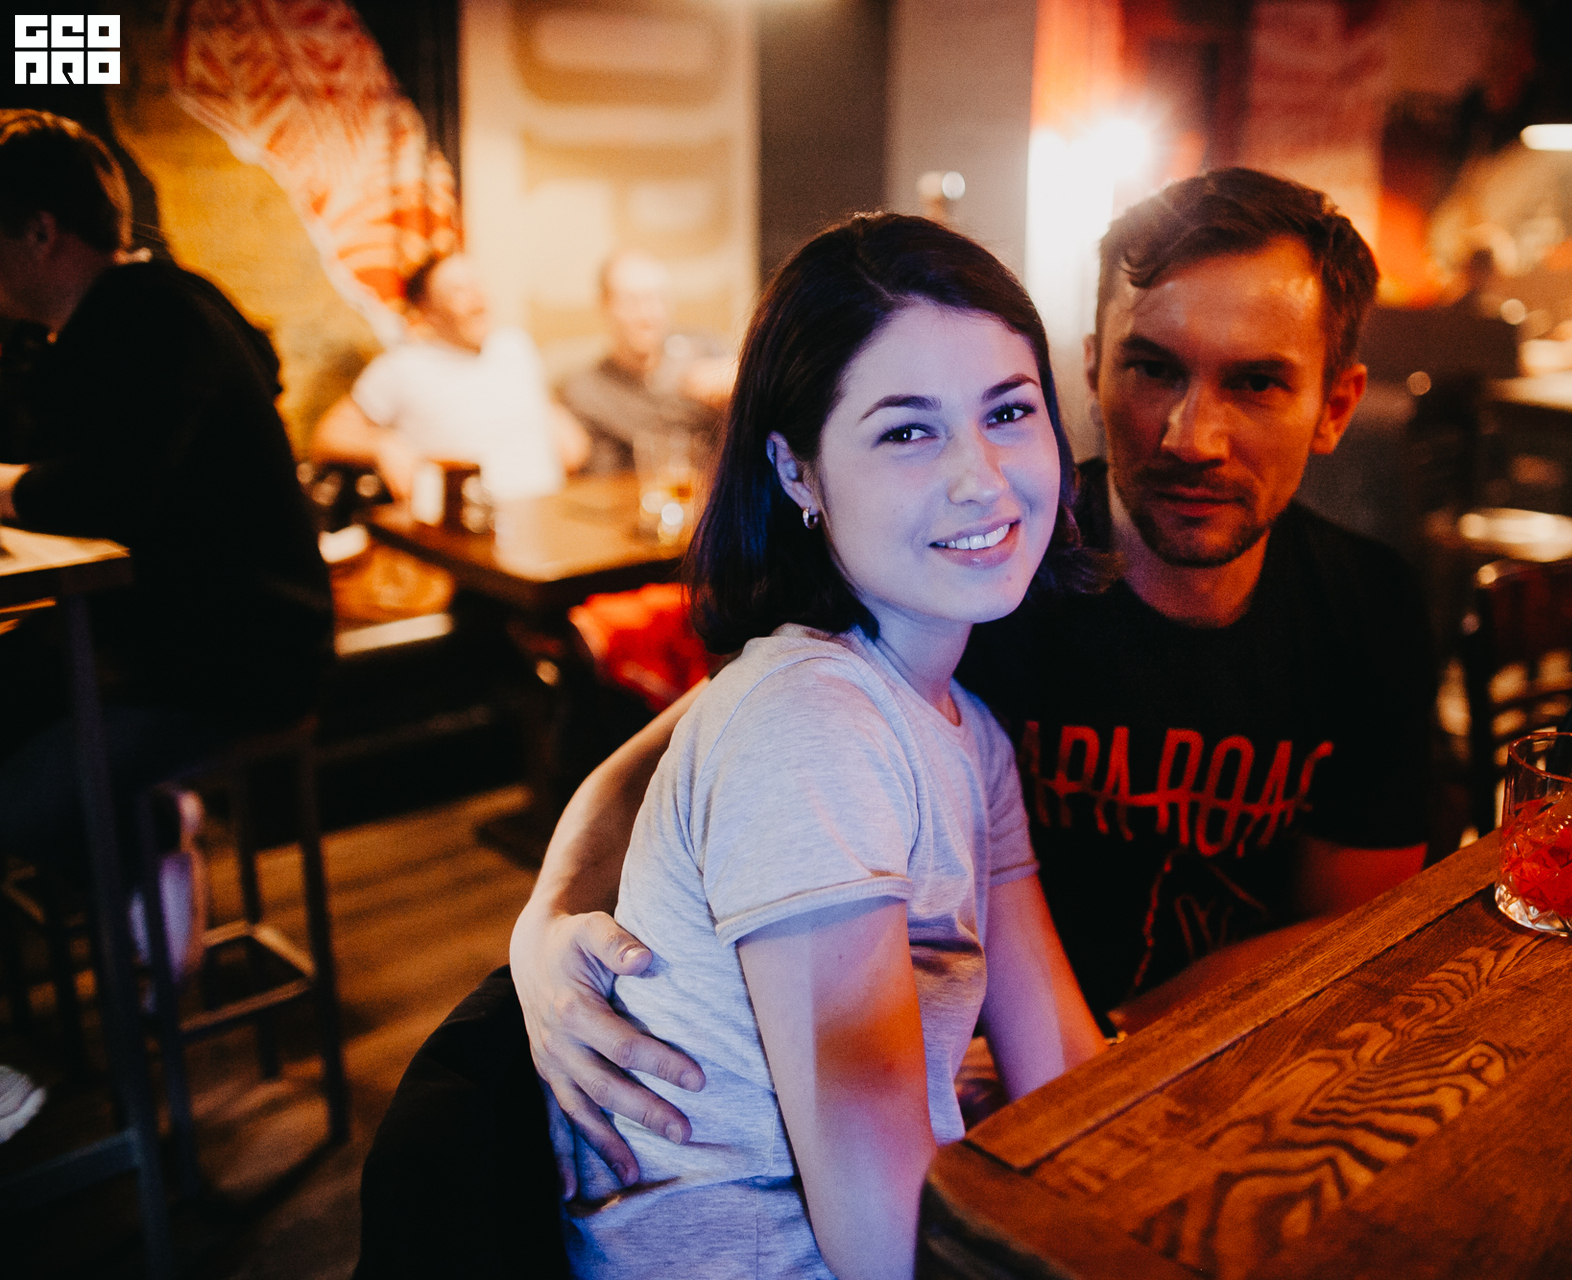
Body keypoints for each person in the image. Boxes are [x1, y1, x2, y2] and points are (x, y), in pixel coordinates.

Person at [513, 168, 1433, 1186]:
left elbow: (1355, 936)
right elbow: (688, 748)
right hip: (950, 1121)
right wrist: (543, 926)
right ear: (1092, 370)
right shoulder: (965, 577)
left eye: (1255, 383)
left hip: (1203, 1065)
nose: (1191, 437)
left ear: (1335, 405)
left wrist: (1123, 1038)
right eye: (1151, 368)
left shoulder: (1361, 606)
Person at [560, 213, 1104, 1278]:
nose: (982, 478)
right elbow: (880, 1238)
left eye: (1009, 411)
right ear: (797, 470)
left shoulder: (968, 734)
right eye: (908, 432)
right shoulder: (808, 727)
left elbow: (1068, 1077)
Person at [0, 109, 332, 962]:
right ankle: (141, 835)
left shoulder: (150, 318)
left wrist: (8, 490)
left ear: (40, 232)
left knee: (16, 805)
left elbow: (116, 490)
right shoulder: (122, 316)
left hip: (235, 656)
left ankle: (147, 833)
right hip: (161, 639)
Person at [310, 252, 590, 504]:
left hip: (549, 510)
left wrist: (557, 423)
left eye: (477, 285)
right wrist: (382, 446)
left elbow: (545, 417)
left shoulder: (515, 345)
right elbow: (327, 436)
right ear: (427, 312)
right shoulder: (402, 367)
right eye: (459, 291)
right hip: (471, 523)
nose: (478, 299)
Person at [558, 250, 731, 476]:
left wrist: (740, 382)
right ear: (604, 305)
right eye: (632, 301)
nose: (648, 315)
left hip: (718, 490)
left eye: (658, 298)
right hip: (638, 493)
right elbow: (586, 469)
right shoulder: (586, 391)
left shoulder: (704, 351)